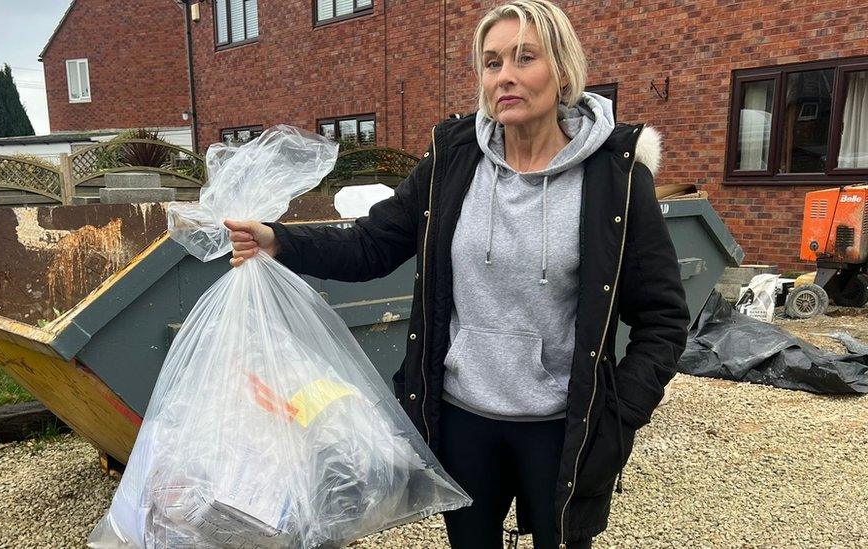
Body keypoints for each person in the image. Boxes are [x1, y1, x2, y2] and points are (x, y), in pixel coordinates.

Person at [223, 1, 689, 547]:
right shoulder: (453, 162)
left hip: (564, 427)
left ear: (562, 71)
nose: (506, 76)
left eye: (525, 57)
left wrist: (619, 415)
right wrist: (280, 240)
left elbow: (663, 317)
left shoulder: (615, 180)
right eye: (491, 63)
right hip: (463, 420)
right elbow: (372, 245)